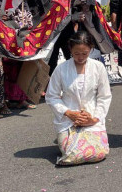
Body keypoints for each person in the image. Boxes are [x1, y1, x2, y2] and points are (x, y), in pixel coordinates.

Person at [46, 32, 111, 165]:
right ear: (70, 50)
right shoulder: (61, 69)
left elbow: (104, 97)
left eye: (85, 53)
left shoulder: (98, 67)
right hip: (68, 119)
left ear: (91, 49)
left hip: (91, 117)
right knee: (72, 155)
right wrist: (69, 113)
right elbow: (51, 96)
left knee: (99, 153)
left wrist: (94, 119)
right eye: (76, 53)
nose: (80, 57)